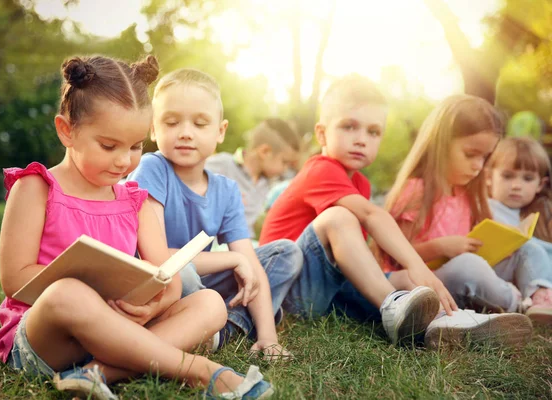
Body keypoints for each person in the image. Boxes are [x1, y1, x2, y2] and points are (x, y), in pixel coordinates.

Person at [0, 55, 273, 400]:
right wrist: (90, 294)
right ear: (67, 130)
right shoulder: (36, 187)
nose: (125, 160)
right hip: (48, 339)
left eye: (137, 146)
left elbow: (165, 274)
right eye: (109, 146)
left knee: (211, 304)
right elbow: (16, 280)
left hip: (120, 331)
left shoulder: (133, 199)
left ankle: (98, 373)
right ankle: (197, 369)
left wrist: (154, 306)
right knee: (68, 293)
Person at [260, 74, 459, 346]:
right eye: (349, 127)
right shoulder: (321, 170)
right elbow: (372, 216)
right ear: (322, 133)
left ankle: (445, 323)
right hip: (283, 291)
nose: (361, 139)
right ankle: (393, 308)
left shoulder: (359, 184)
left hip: (325, 292)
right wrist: (417, 263)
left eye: (373, 132)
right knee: (338, 218)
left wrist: (409, 274)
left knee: (404, 279)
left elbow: (354, 255)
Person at [128, 68, 302, 360]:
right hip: (159, 283)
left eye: (200, 123)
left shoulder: (226, 189)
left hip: (202, 283)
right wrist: (233, 259)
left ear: (220, 132)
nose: (185, 132)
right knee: (183, 271)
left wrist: (269, 338)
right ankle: (203, 326)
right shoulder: (152, 168)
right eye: (171, 122)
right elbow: (157, 259)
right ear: (153, 129)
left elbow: (248, 258)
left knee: (286, 253)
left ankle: (223, 328)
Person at [384, 95, 533, 347]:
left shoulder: (467, 195)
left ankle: (534, 298)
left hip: (462, 283)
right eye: (470, 154)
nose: (478, 166)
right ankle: (516, 305)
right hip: (424, 286)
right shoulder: (415, 191)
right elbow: (395, 258)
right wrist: (441, 247)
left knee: (527, 250)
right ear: (440, 144)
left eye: (485, 158)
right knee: (468, 266)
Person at [486, 137, 552, 323]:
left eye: (527, 178)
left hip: (519, 274)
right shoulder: (487, 207)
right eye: (507, 176)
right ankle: (540, 298)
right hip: (495, 270)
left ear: (540, 185)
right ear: (489, 178)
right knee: (528, 246)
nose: (516, 185)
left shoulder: (534, 214)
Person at [205, 118, 300, 238]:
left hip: (246, 245)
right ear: (265, 152)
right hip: (213, 244)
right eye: (284, 162)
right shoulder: (221, 165)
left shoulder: (268, 184)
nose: (285, 170)